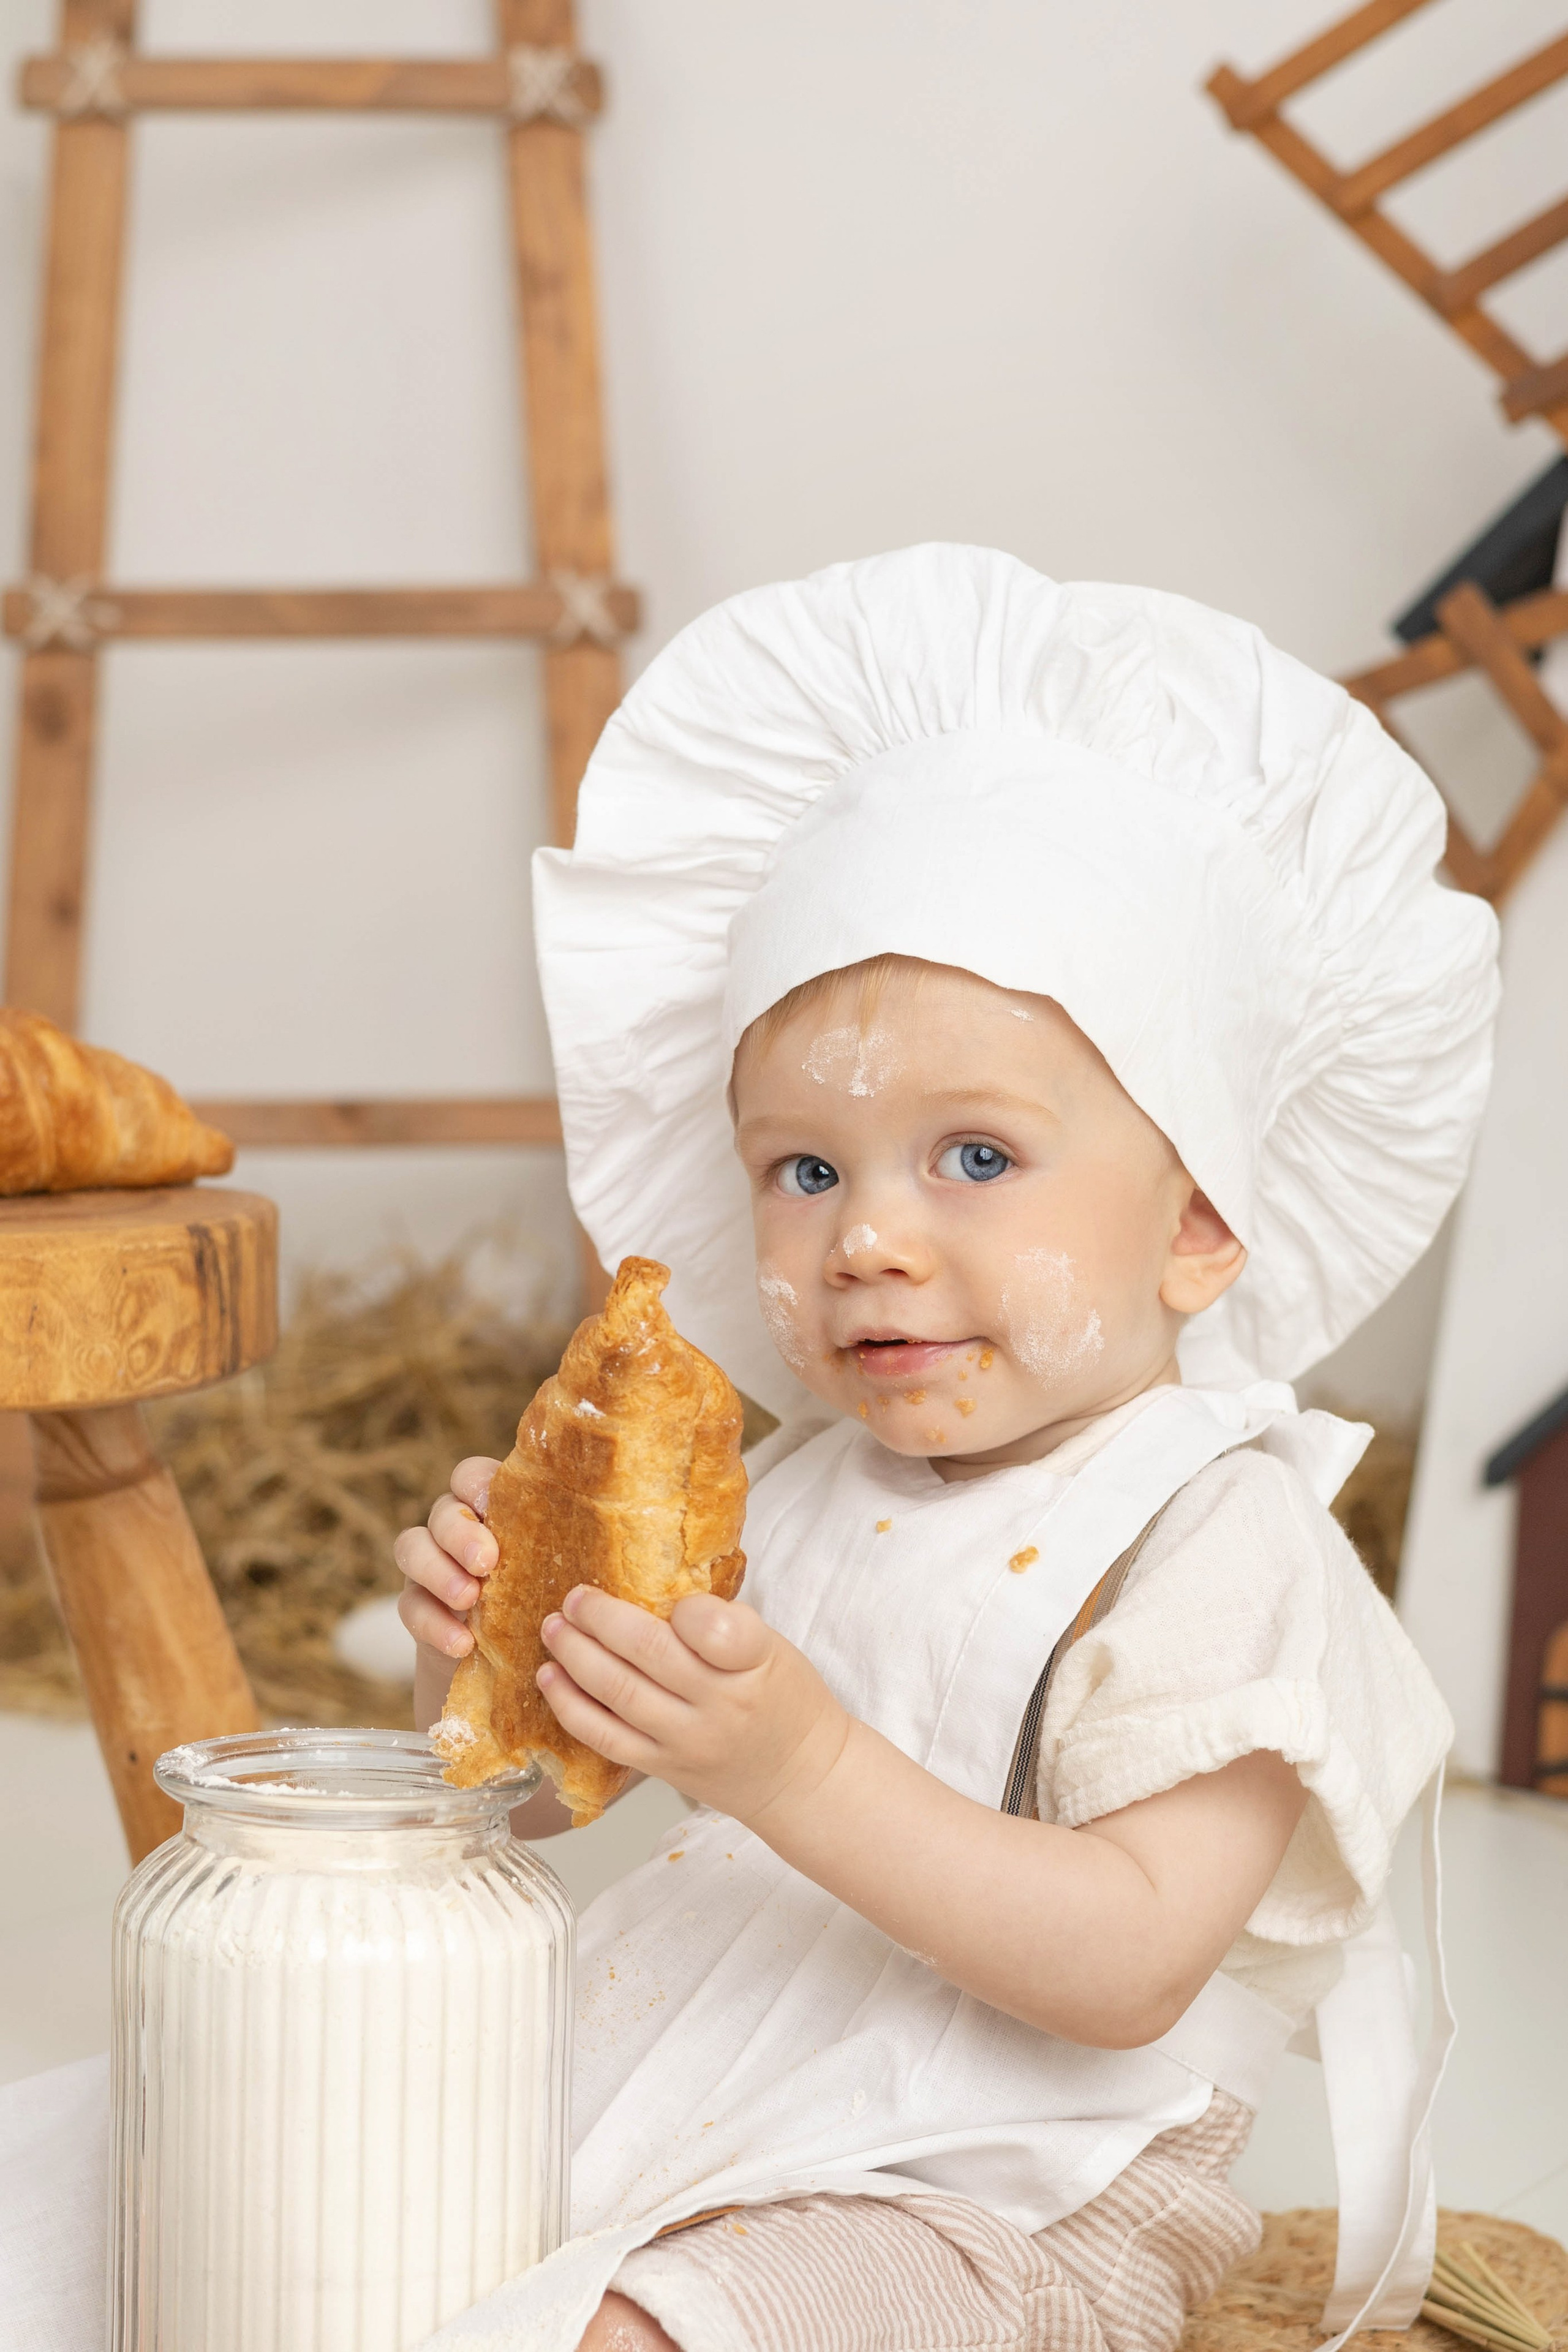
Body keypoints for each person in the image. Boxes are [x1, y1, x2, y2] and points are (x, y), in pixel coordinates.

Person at [399, 546, 1498, 2352]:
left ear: (1200, 1226)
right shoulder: (780, 1494)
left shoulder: (1216, 1538)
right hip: (670, 2116)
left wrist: (801, 1767)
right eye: (805, 1170)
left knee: (638, 2343)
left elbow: (1134, 1961)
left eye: (974, 1157)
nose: (869, 1239)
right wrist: (484, 1670)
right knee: (243, 2188)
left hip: (998, 2207)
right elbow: (520, 1807)